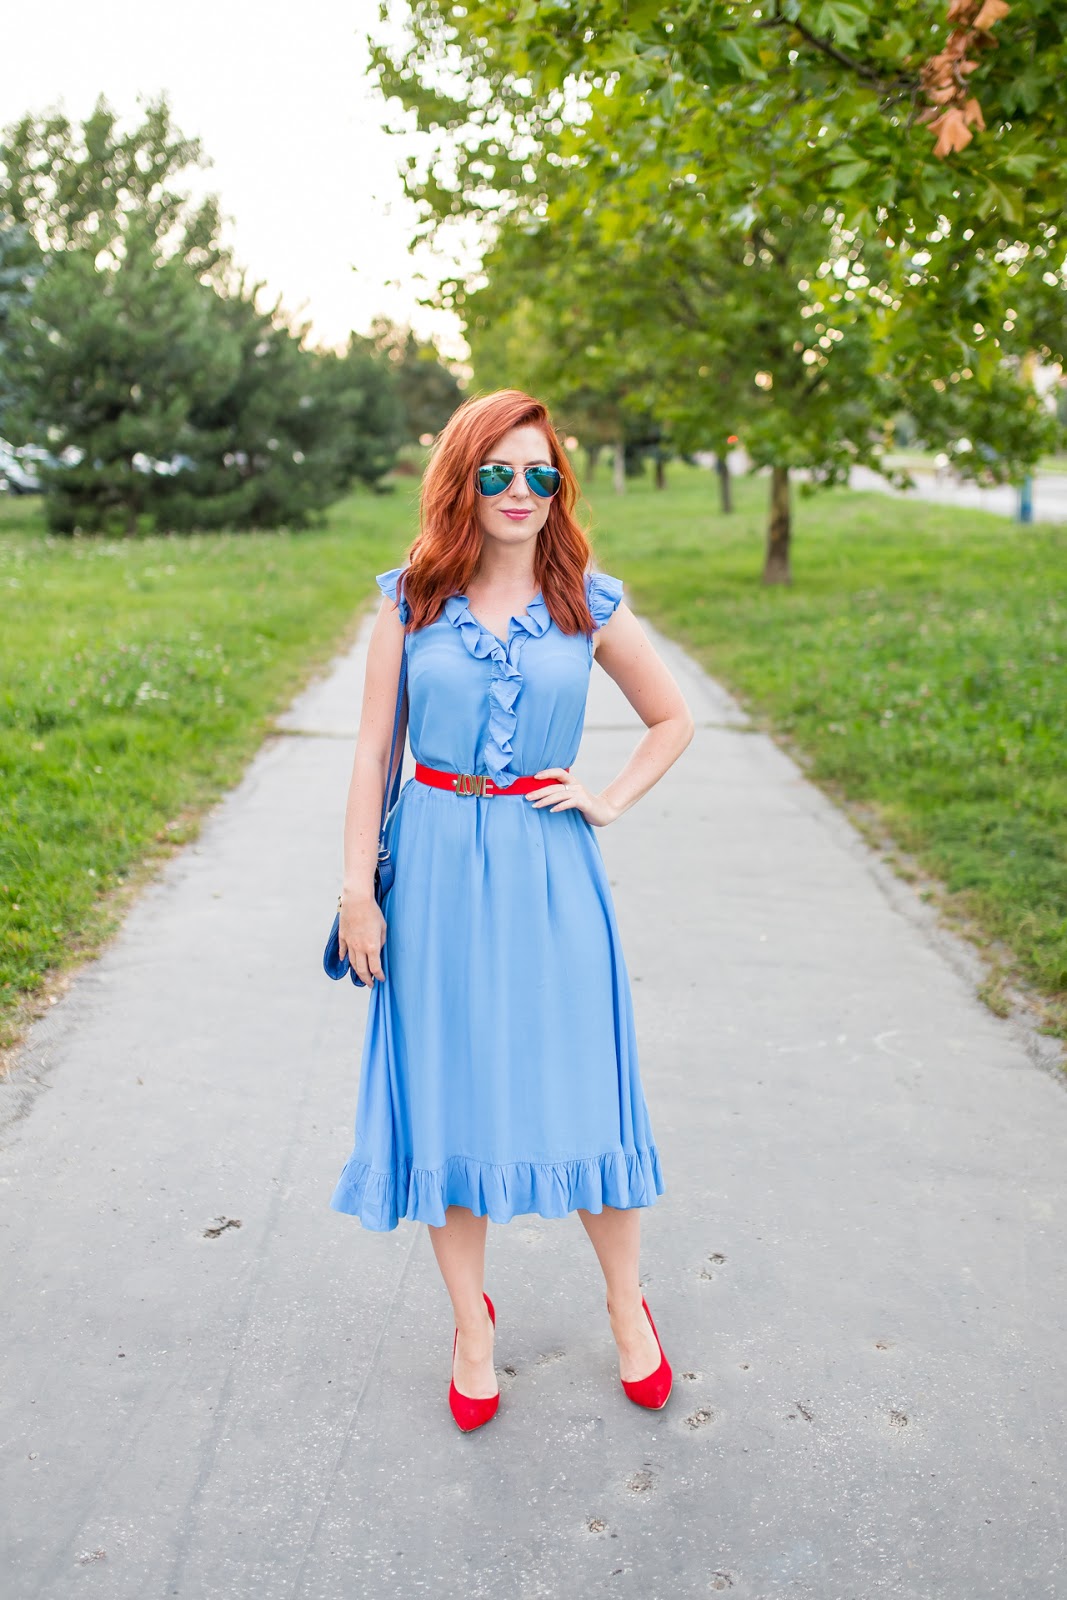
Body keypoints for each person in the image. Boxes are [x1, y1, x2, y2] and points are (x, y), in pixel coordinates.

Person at [330, 389, 695, 1431]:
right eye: (498, 472)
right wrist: (356, 892)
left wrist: (607, 798)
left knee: (585, 1086)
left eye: (541, 473)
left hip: (549, 866)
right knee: (448, 1093)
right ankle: (470, 1327)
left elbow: (670, 718)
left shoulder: (587, 600)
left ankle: (626, 1306)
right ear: (463, 480)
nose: (521, 491)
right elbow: (372, 753)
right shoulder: (410, 602)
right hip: (435, 870)